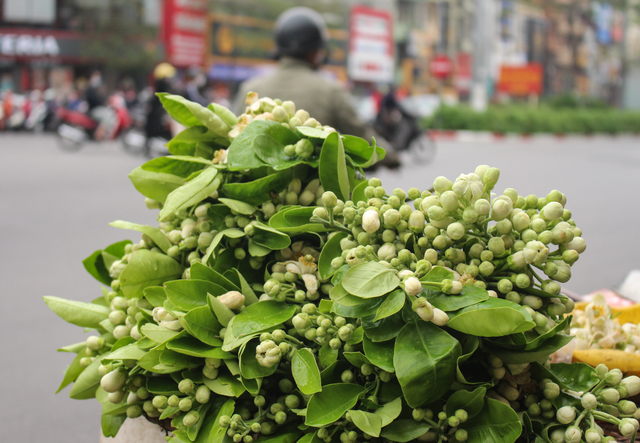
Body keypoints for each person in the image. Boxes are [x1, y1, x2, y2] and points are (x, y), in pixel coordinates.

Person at [233, 7, 399, 168]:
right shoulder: (331, 91)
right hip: (318, 192)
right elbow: (363, 139)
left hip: (254, 193)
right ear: (315, 51)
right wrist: (391, 157)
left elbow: (234, 138)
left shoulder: (249, 90)